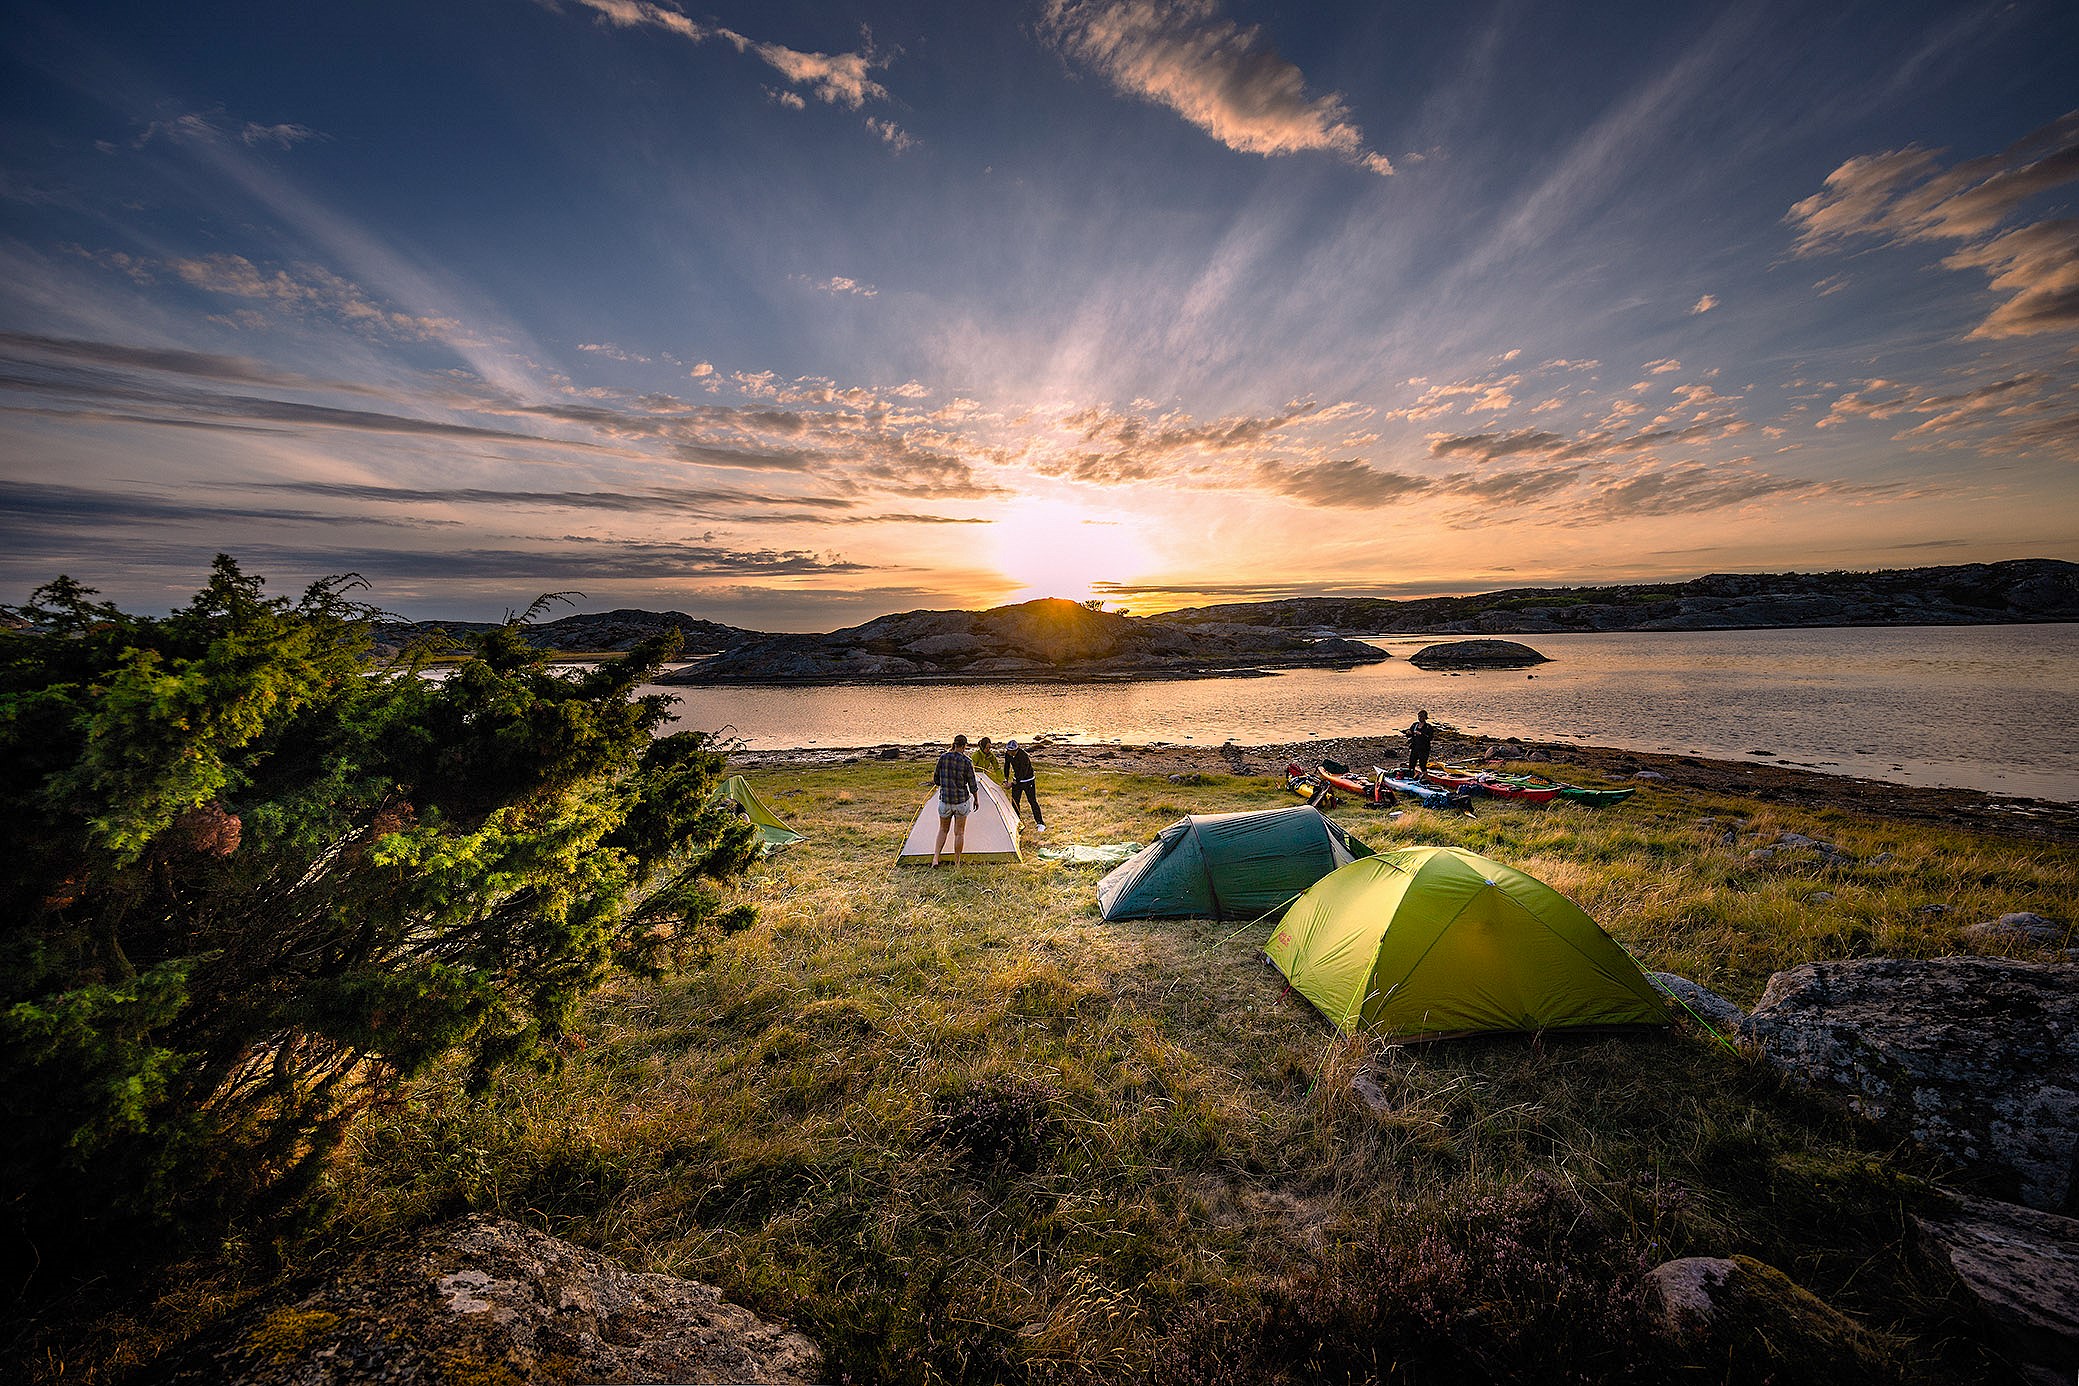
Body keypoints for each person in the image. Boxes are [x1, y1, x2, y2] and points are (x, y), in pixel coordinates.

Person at [931, 733, 980, 867]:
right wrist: (976, 799)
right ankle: (957, 862)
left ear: (954, 744)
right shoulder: (967, 761)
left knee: (942, 829)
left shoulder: (943, 758)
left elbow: (936, 779)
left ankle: (936, 858)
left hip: (945, 801)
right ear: (964, 746)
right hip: (961, 802)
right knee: (959, 833)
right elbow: (972, 785)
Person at [1003, 738, 1046, 835]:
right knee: (1015, 802)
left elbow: (1023, 773)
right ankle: (1016, 822)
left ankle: (1040, 823)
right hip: (1017, 780)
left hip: (1028, 780)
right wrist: (1006, 779)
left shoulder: (1023, 757)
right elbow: (1007, 766)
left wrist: (1012, 783)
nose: (1011, 753)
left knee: (1032, 801)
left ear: (1016, 750)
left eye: (1012, 751)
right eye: (1009, 751)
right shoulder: (1008, 754)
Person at [1403, 709, 1435, 775]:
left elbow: (1430, 738)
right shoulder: (1415, 725)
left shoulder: (1428, 727)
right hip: (1415, 747)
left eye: (1422, 716)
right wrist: (1408, 733)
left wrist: (1421, 734)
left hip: (1424, 749)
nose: (1420, 718)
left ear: (1425, 717)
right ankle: (1411, 776)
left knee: (1422, 764)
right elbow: (1409, 735)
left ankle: (1425, 777)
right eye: (1419, 716)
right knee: (1412, 763)